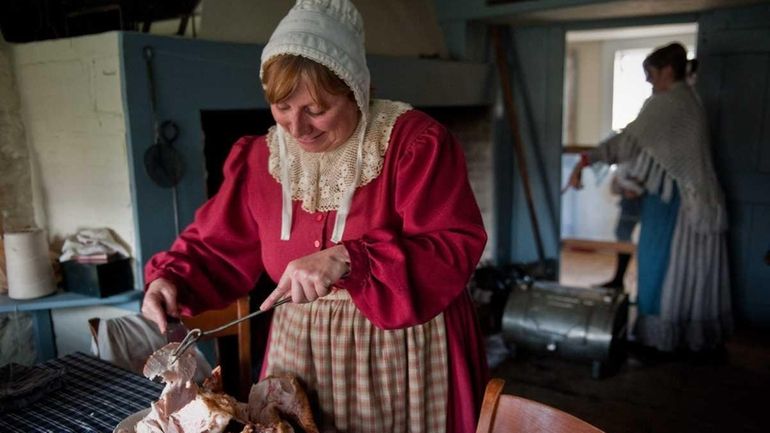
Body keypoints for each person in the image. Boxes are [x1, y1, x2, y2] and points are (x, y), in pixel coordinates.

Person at [140, 1, 489, 432]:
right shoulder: (260, 158)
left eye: (316, 109)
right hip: (299, 356)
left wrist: (348, 257)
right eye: (283, 108)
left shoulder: (412, 144)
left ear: (357, 89)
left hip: (401, 351)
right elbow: (219, 244)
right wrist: (171, 279)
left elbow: (453, 245)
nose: (297, 128)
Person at [568, 42, 731, 354]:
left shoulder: (669, 103)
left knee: (658, 266)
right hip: (688, 200)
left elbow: (627, 143)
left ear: (668, 71)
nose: (649, 82)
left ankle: (658, 340)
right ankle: (677, 338)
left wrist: (588, 159)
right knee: (680, 272)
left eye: (652, 74)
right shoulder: (688, 101)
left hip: (679, 204)